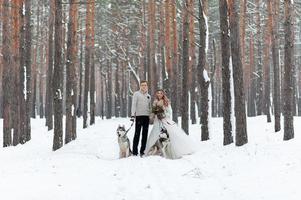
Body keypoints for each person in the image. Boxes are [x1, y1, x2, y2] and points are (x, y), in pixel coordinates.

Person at [144, 89, 197, 159]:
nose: (159, 94)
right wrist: (153, 114)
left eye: (161, 93)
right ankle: (154, 151)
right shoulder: (155, 102)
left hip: (165, 121)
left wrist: (163, 114)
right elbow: (153, 112)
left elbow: (169, 112)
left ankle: (171, 152)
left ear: (163, 94)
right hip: (157, 122)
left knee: (170, 136)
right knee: (154, 136)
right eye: (158, 93)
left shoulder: (166, 102)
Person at [131, 80, 151, 156]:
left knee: (145, 135)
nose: (144, 86)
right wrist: (133, 115)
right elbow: (133, 105)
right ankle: (135, 152)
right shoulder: (136, 94)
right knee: (137, 134)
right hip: (139, 116)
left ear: (147, 86)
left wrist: (151, 115)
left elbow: (149, 107)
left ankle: (142, 151)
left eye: (145, 85)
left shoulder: (149, 96)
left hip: (146, 117)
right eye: (142, 85)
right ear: (140, 86)